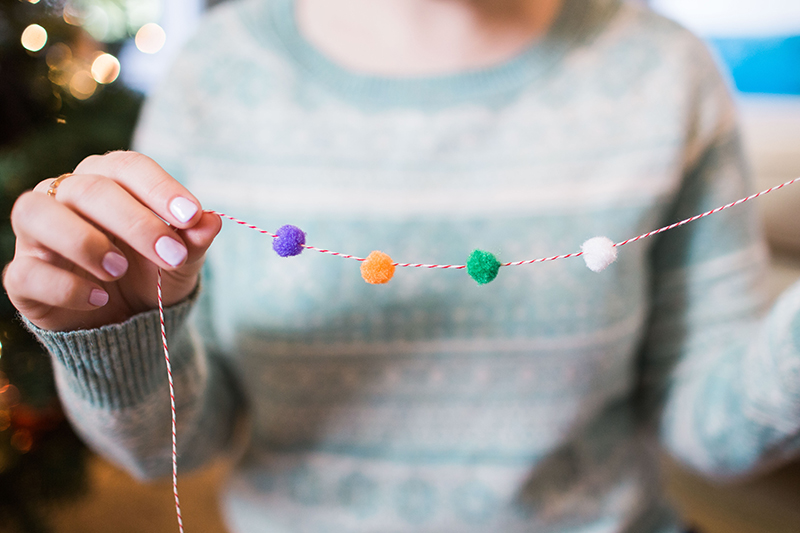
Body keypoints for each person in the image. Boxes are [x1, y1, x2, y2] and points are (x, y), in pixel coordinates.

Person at [5, 0, 800, 531]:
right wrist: (119, 337)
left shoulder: (666, 71)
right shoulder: (217, 72)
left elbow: (711, 428)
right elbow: (177, 447)